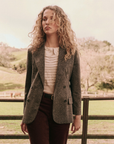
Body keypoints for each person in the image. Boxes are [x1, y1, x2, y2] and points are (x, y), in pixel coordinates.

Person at [21, 5, 81, 144]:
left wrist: (77, 115)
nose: (46, 22)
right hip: (37, 107)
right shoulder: (33, 51)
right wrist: (25, 115)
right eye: (44, 19)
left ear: (61, 22)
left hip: (62, 107)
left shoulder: (71, 52)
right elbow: (28, 86)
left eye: (52, 19)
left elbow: (76, 86)